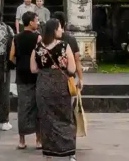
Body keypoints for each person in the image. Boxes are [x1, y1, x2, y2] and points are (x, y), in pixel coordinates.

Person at [31, 18, 78, 159]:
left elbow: (33, 69)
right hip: (61, 86)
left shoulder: (38, 47)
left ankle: (48, 153)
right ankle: (70, 153)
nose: (62, 30)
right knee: (65, 118)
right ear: (54, 30)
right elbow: (72, 68)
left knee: (47, 119)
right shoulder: (64, 46)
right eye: (59, 28)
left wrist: (45, 69)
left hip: (43, 86)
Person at [10, 11, 42, 150]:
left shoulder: (16, 38)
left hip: (21, 76)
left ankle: (22, 140)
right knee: (38, 107)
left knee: (23, 107)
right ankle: (38, 140)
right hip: (36, 76)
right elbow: (42, 55)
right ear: (30, 22)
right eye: (36, 20)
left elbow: (11, 56)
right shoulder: (38, 37)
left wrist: (19, 64)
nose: (38, 23)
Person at [53, 11, 83, 93]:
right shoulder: (71, 39)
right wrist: (80, 79)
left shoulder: (47, 39)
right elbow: (77, 60)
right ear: (65, 23)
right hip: (68, 77)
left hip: (50, 78)